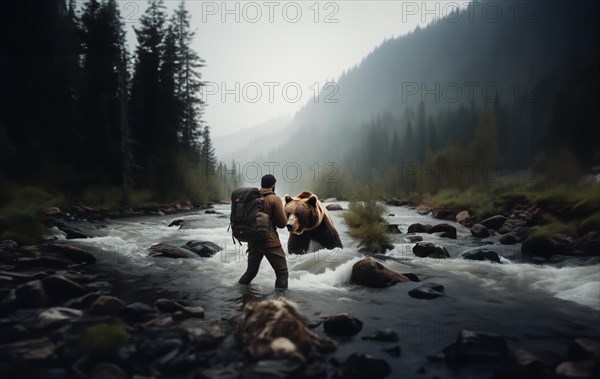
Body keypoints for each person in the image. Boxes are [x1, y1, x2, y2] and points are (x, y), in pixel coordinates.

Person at [238, 174, 289, 289]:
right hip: (270, 242)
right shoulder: (274, 199)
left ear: (261, 184)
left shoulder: (251, 198)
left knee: (250, 272)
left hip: (253, 241)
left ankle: (239, 294)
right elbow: (282, 224)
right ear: (274, 185)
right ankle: (281, 302)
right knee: (282, 274)